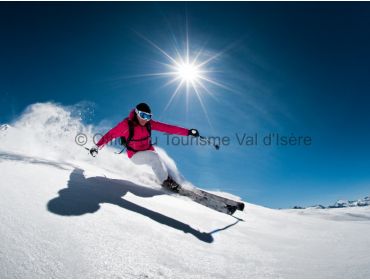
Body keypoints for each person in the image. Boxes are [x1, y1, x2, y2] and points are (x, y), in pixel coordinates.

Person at [89, 102, 200, 190]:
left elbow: (168, 128)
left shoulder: (149, 124)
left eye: (148, 116)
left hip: (147, 150)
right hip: (135, 155)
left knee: (163, 160)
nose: (145, 119)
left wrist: (188, 132)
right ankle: (165, 182)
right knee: (154, 158)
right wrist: (97, 146)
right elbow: (110, 135)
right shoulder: (126, 125)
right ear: (137, 113)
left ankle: (171, 179)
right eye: (143, 115)